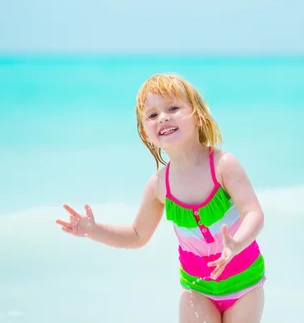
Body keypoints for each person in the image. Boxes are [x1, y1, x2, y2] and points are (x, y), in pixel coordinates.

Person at [55, 73, 266, 323]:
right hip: (196, 289)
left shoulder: (222, 165)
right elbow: (136, 235)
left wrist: (236, 243)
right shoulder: (158, 186)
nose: (163, 117)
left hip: (245, 283)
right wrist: (94, 230)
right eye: (152, 115)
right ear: (146, 133)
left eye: (173, 108)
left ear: (198, 116)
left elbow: (254, 213)